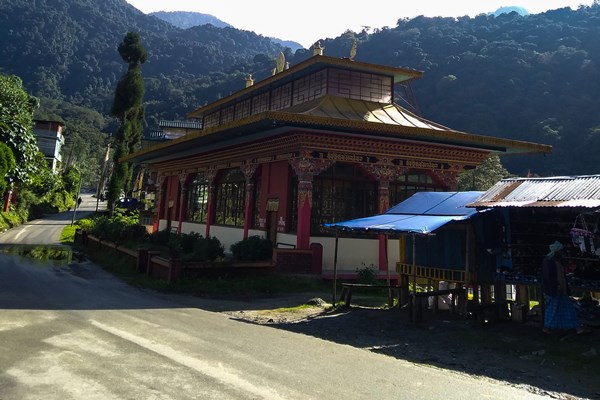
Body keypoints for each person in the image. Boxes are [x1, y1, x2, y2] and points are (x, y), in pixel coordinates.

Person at [541, 241, 590, 334]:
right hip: (554, 290)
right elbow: (549, 277)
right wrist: (556, 286)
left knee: (566, 309)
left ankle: (573, 326)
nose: (562, 252)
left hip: (561, 290)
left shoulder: (556, 261)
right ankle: (547, 327)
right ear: (557, 251)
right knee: (553, 309)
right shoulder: (548, 261)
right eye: (560, 251)